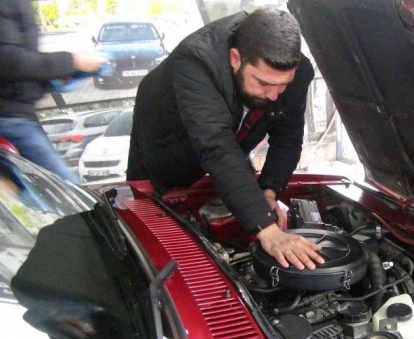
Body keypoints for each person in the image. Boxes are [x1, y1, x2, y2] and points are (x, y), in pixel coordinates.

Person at [126, 8, 324, 270]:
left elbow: (288, 137)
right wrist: (267, 229)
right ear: (235, 58)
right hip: (165, 149)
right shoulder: (196, 60)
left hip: (228, 149)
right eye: (263, 83)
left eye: (283, 85)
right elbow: (216, 145)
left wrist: (268, 192)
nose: (274, 95)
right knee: (154, 250)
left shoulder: (297, 73)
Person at [0, 0, 106, 183]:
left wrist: (59, 75)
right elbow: (10, 62)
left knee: (38, 191)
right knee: (64, 191)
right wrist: (72, 61)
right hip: (0, 117)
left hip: (6, 113)